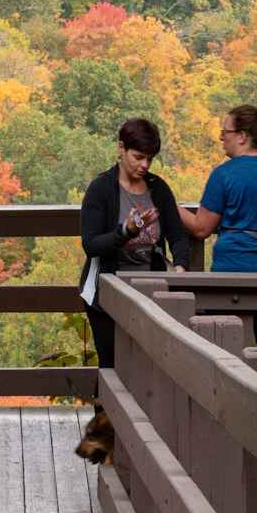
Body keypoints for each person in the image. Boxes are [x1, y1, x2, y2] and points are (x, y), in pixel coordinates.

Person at [179, 106, 257, 347]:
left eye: (226, 132)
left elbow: (201, 228)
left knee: (224, 355)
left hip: (232, 276)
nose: (221, 137)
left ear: (243, 136)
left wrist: (168, 204)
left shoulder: (224, 175)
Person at [78, 117, 191, 369]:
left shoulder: (158, 189)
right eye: (138, 157)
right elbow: (91, 244)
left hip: (151, 291)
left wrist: (181, 268)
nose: (144, 165)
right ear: (121, 148)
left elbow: (177, 235)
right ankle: (103, 409)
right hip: (106, 291)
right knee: (112, 366)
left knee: (148, 365)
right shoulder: (101, 189)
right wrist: (126, 231)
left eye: (149, 159)